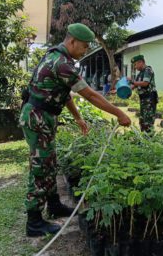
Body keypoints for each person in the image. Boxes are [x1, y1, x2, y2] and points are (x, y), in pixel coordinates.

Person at [19, 23, 131, 237]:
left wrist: (78, 118)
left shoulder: (57, 58)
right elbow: (90, 94)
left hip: (42, 117)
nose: (85, 51)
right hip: (38, 117)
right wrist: (119, 113)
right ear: (71, 41)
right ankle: (34, 222)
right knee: (40, 167)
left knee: (50, 162)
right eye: (84, 46)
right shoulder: (62, 63)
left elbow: (66, 94)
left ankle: (54, 206)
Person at [128, 55, 158, 133]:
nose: (135, 67)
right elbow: (133, 86)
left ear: (141, 62)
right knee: (142, 121)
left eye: (135, 64)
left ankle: (149, 140)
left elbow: (145, 83)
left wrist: (132, 81)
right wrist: (119, 90)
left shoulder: (148, 70)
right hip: (144, 100)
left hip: (149, 100)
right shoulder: (140, 74)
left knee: (148, 122)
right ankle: (144, 139)